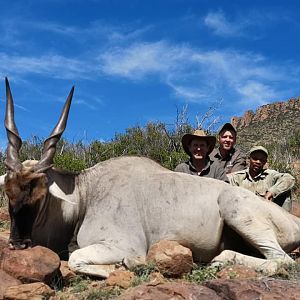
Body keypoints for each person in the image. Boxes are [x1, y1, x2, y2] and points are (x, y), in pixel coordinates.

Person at [228, 145, 295, 211]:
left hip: (266, 215)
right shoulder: (238, 177)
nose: (258, 162)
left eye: (262, 160)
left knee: (285, 191)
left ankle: (284, 219)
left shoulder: (270, 175)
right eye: (255, 158)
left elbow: (289, 178)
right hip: (244, 213)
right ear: (249, 159)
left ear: (265, 162)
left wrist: (272, 192)